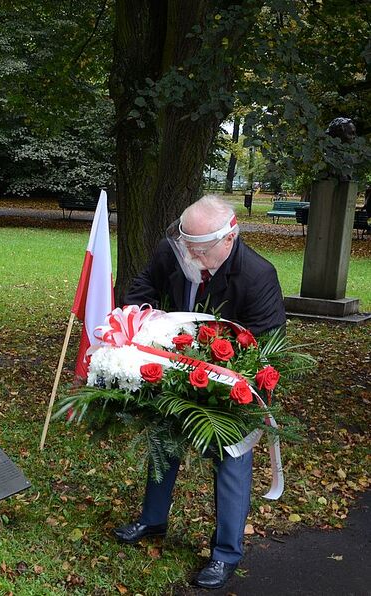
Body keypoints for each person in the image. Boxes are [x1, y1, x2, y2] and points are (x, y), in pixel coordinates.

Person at [115, 195, 286, 590]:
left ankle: (225, 553)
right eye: (185, 243)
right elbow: (141, 288)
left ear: (229, 239)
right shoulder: (174, 250)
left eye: (199, 248)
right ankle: (153, 519)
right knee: (163, 444)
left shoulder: (259, 275)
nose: (188, 254)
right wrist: (148, 324)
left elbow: (267, 344)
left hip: (228, 384)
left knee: (230, 460)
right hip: (173, 372)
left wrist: (218, 370)